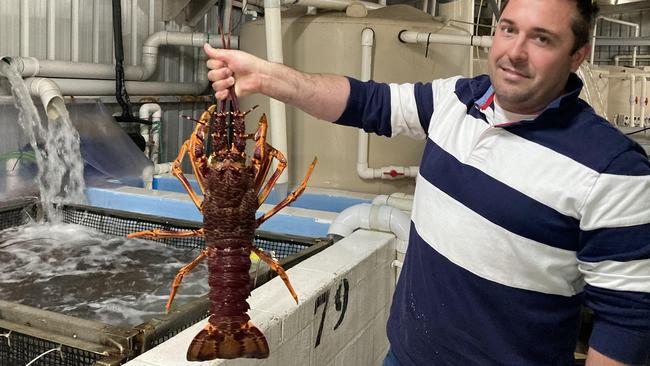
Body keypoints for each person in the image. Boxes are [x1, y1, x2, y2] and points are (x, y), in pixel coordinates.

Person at [204, 0, 650, 364]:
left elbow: (629, 321)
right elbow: (368, 103)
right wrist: (266, 77)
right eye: (509, 29)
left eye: (542, 39)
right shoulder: (458, 99)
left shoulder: (614, 169)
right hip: (404, 356)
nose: (515, 51)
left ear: (578, 55)